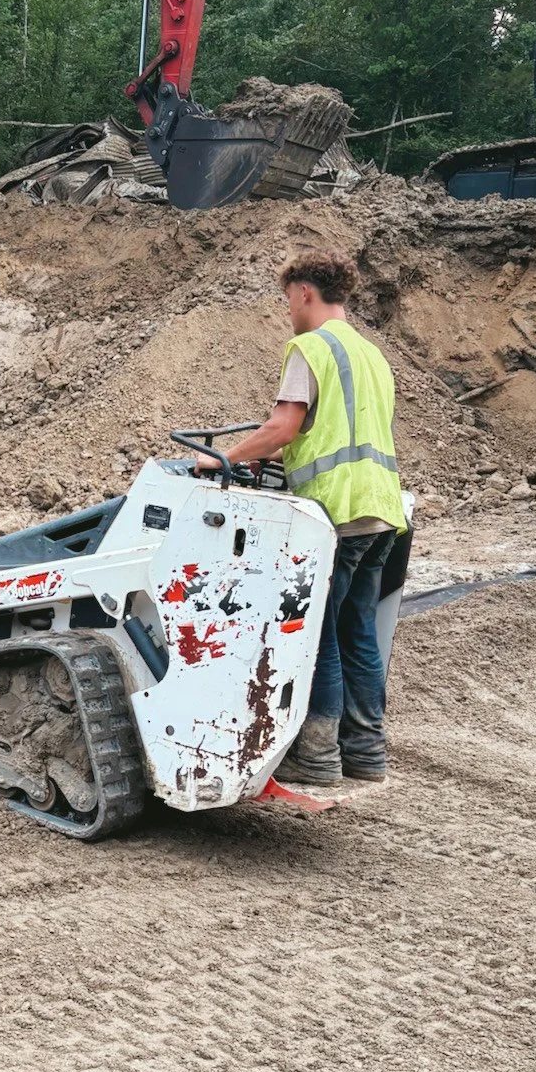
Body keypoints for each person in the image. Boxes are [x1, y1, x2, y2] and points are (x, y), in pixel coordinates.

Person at [198, 249, 407, 785]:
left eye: (289, 298)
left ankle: (316, 756)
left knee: (319, 636)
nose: (288, 309)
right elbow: (336, 430)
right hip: (381, 509)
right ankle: (365, 751)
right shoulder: (371, 354)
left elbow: (283, 429)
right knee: (357, 628)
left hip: (335, 513)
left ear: (305, 293)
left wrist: (220, 458)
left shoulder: (309, 349)